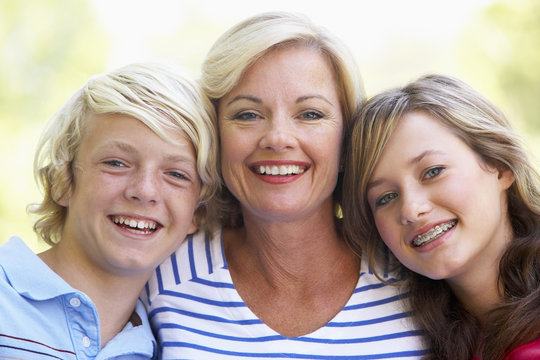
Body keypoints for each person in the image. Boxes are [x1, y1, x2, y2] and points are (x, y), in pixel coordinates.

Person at [144, 11, 427, 359]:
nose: (278, 138)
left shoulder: (415, 267)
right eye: (248, 114)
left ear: (346, 138)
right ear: (215, 137)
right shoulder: (159, 272)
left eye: (310, 114)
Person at [0, 62, 220, 359]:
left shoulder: (169, 345)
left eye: (176, 174)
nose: (144, 191)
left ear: (198, 213)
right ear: (62, 181)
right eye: (116, 163)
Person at [342, 74, 540, 360]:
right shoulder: (414, 341)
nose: (411, 210)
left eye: (433, 171)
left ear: (499, 165)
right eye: (385, 197)